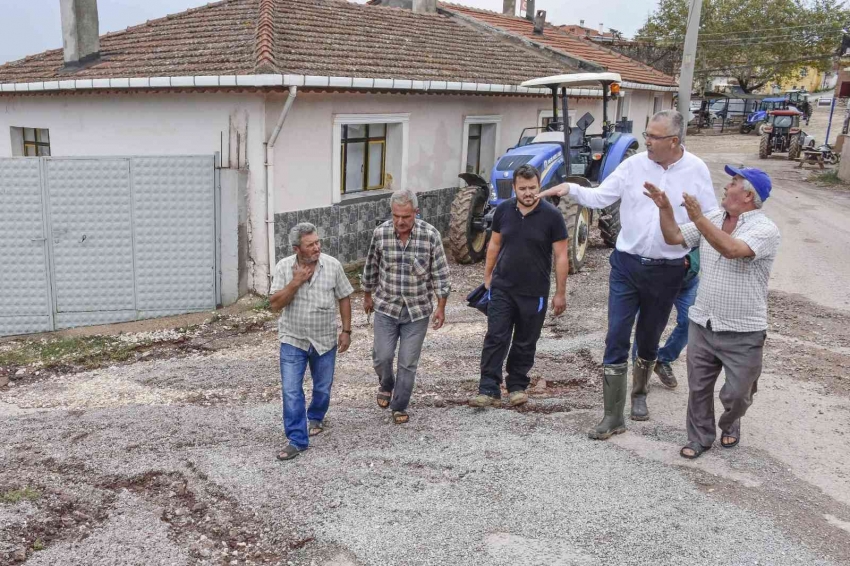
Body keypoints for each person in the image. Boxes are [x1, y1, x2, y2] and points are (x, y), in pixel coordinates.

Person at [538, 110, 718, 440]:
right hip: (626, 266)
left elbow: (710, 217)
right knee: (617, 334)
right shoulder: (633, 166)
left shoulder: (696, 171)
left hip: (668, 271)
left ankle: (639, 394)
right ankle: (611, 415)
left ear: (674, 141)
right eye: (647, 133)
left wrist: (693, 241)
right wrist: (569, 188)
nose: (647, 140)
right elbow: (601, 196)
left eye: (654, 136)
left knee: (649, 336)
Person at [645, 166, 780, 460]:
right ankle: (700, 437)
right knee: (699, 387)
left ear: (747, 195)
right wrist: (665, 209)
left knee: (738, 394)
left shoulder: (765, 229)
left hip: (744, 329)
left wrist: (697, 218)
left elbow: (731, 249)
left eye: (732, 182)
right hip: (703, 321)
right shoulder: (715, 219)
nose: (725, 186)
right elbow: (674, 236)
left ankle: (732, 419)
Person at [469, 164, 569, 408]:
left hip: (534, 292)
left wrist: (560, 293)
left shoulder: (552, 216)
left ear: (539, 186)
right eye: (522, 188)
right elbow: (494, 244)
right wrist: (488, 276)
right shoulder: (503, 210)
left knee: (525, 341)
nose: (528, 192)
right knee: (496, 336)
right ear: (513, 188)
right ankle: (488, 388)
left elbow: (562, 256)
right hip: (503, 287)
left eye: (532, 188)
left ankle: (516, 386)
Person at [362, 189, 451, 424]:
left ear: (416, 213)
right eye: (396, 216)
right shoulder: (381, 234)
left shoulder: (430, 235)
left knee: (407, 362)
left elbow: (441, 275)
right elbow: (371, 266)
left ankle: (399, 404)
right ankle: (386, 383)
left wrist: (441, 307)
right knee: (382, 357)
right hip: (386, 307)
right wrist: (367, 295)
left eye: (406, 217)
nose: (400, 222)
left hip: (417, 311)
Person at [269, 222, 354, 461]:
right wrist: (296, 282)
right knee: (291, 390)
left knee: (322, 387)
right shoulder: (284, 267)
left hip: (324, 340)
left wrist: (346, 330)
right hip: (293, 339)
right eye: (310, 244)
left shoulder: (333, 265)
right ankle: (297, 439)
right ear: (297, 249)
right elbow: (275, 304)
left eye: (317, 242)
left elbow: (344, 297)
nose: (317, 247)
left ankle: (316, 415)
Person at [629, 248, 701, 389]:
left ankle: (663, 359)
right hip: (657, 280)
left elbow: (704, 241)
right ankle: (640, 372)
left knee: (690, 321)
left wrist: (691, 260)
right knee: (647, 324)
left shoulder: (699, 224)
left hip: (686, 281)